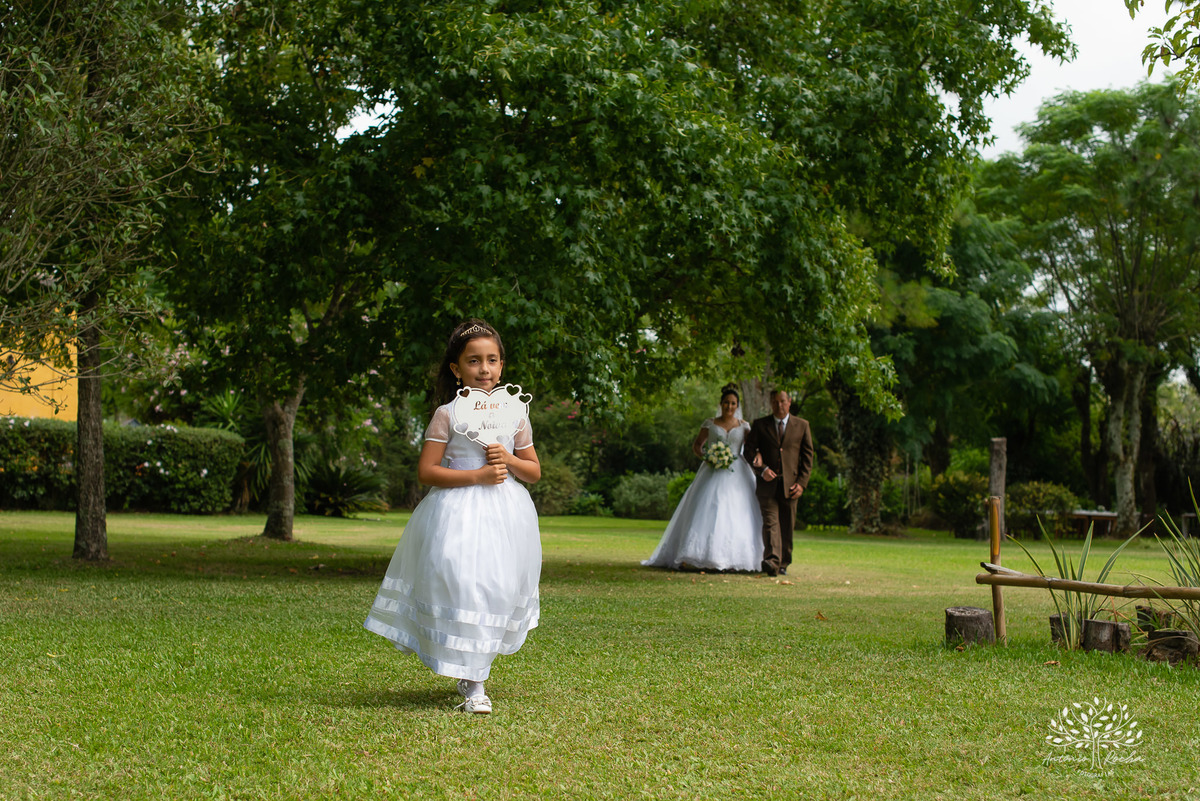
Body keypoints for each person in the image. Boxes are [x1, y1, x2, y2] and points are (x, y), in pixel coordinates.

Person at [364, 319, 542, 715]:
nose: (484, 369)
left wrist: (509, 459)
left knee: (495, 585)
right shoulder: (448, 414)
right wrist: (476, 474)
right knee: (462, 581)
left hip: (506, 516)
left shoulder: (515, 414)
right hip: (456, 513)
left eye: (492, 360)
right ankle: (474, 683)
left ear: (502, 366)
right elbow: (427, 471)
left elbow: (532, 470)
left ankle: (475, 672)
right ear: (456, 369)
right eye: (473, 360)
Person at [642, 384, 763, 572]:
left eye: (733, 404)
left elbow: (751, 448)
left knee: (739, 511)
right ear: (720, 404)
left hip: (738, 472)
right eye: (726, 403)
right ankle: (699, 556)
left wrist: (758, 457)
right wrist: (709, 457)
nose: (729, 407)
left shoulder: (745, 426)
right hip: (712, 470)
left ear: (737, 405)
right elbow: (697, 446)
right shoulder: (710, 423)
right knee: (709, 507)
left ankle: (734, 558)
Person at [743, 389, 813, 577]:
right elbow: (748, 451)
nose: (779, 405)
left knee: (786, 526)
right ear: (770, 403)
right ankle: (772, 562)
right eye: (775, 402)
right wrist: (762, 469)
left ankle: (783, 563)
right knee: (770, 524)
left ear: (789, 401)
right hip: (767, 486)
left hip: (791, 487)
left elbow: (807, 458)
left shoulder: (802, 425)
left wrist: (802, 484)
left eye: (782, 401)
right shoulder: (760, 424)